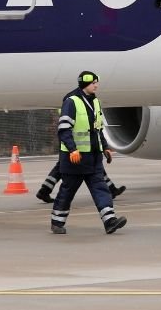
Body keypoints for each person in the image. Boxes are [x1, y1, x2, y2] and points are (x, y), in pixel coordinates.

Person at [49, 71, 127, 235]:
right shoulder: (71, 102)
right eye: (93, 83)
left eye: (96, 82)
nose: (96, 86)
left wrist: (105, 147)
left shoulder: (96, 102)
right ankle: (57, 222)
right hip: (74, 158)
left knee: (101, 188)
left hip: (93, 157)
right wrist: (73, 149)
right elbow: (64, 130)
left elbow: (98, 128)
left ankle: (110, 221)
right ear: (85, 84)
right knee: (67, 190)